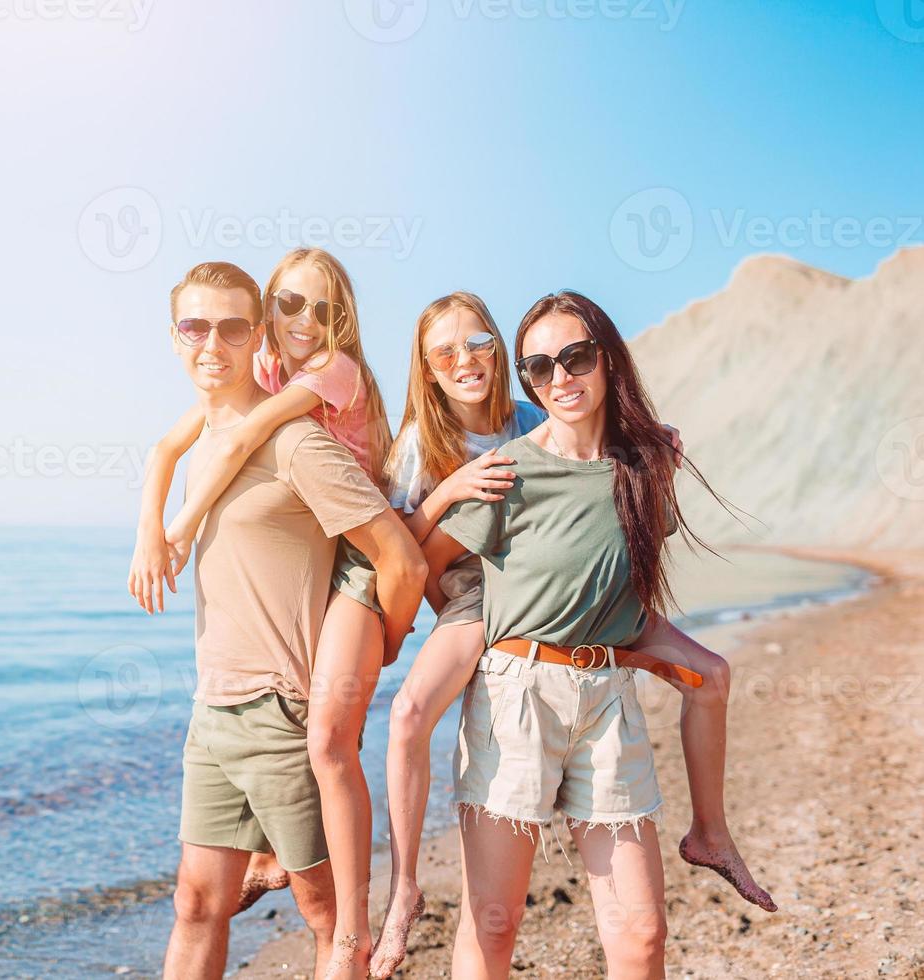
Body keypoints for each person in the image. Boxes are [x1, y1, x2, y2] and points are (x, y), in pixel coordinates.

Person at [370, 293, 773, 976]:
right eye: (541, 367)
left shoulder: (644, 466)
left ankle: (711, 832)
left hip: (608, 701)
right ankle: (401, 889)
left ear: (608, 359)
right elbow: (425, 566)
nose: (561, 378)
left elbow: (620, 564)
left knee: (642, 936)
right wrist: (472, 628)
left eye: (577, 357)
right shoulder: (508, 469)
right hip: (515, 697)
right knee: (494, 926)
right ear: (527, 378)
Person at [132, 248, 422, 978]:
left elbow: (400, 559)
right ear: (173, 337)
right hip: (214, 709)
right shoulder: (204, 443)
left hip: (284, 712)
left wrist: (382, 649)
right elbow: (169, 452)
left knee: (326, 916)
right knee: (197, 903)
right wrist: (155, 528)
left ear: (254, 335)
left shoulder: (298, 440)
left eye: (232, 330)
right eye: (194, 328)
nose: (212, 344)